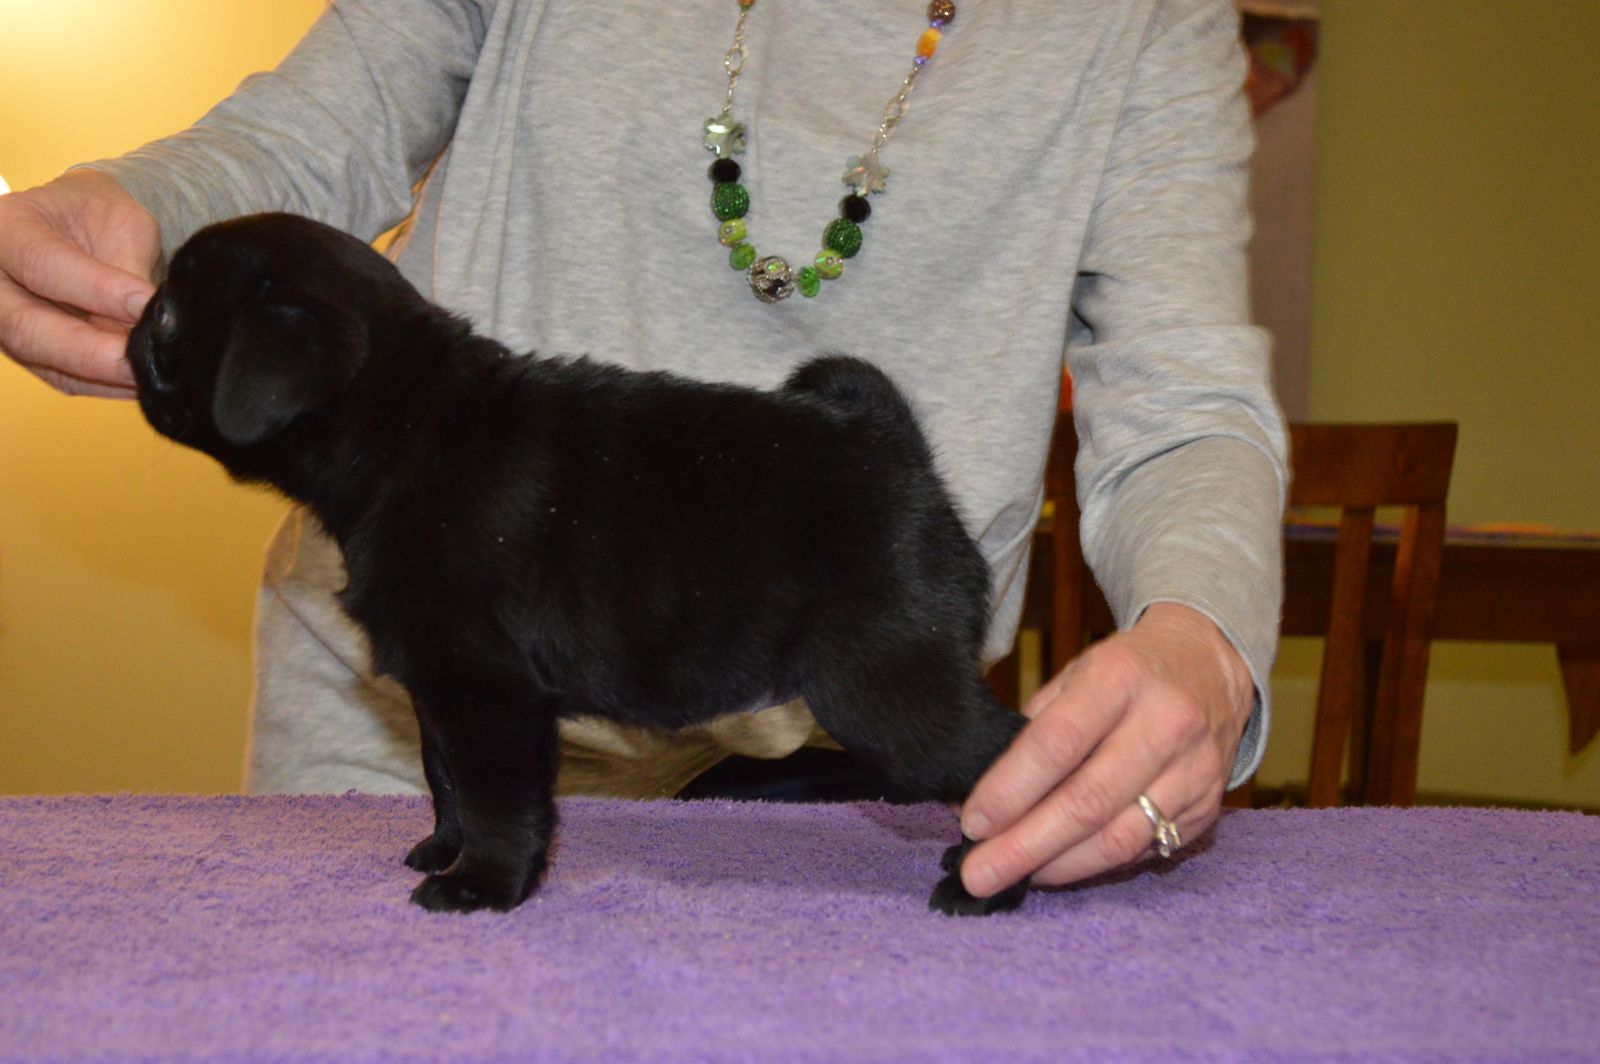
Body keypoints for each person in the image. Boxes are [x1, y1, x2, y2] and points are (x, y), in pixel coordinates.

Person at [0, 0, 1285, 903]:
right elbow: (309, 130)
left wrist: (1202, 632)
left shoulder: (1143, 22)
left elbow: (1183, 399)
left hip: (837, 750)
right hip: (392, 741)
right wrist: (129, 209)